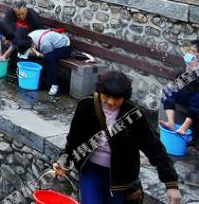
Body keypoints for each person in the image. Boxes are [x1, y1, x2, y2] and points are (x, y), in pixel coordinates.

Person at [54, 71, 181, 204]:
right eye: (107, 96)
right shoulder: (86, 105)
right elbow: (74, 136)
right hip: (90, 169)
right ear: (100, 92)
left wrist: (171, 183)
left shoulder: (133, 113)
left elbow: (153, 146)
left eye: (117, 98)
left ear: (124, 97)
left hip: (119, 175)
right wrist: (64, 161)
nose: (110, 102)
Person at [160, 39, 199, 150]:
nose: (189, 53)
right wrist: (188, 71)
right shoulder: (190, 65)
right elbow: (179, 82)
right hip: (188, 95)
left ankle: (184, 128)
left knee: (197, 98)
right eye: (190, 50)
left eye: (192, 51)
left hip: (196, 99)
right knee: (168, 90)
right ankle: (171, 123)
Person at [16, 29, 73, 96]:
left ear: (32, 46)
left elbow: (45, 56)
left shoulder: (44, 43)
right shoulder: (27, 39)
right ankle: (26, 79)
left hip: (65, 47)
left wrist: (37, 54)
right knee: (26, 58)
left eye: (29, 51)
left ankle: (54, 85)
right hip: (50, 45)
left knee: (49, 58)